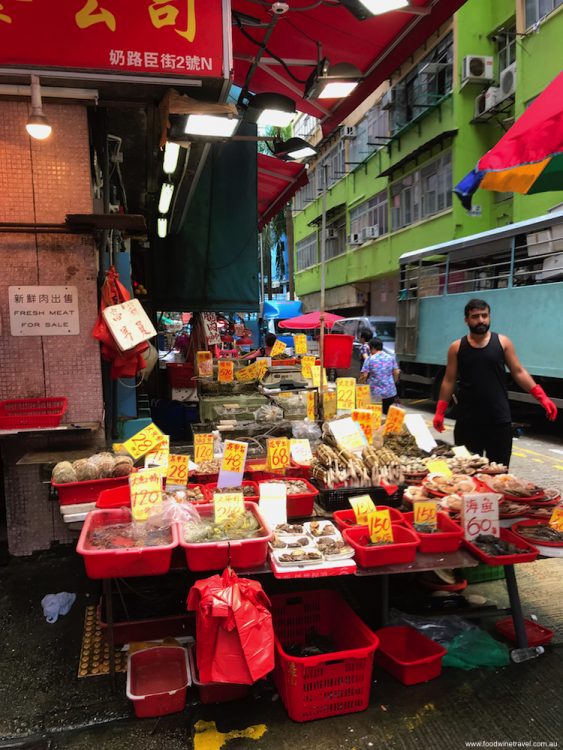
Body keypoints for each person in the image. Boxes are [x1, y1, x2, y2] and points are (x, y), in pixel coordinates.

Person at [433, 298, 557, 466]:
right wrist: (440, 411)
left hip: (498, 420)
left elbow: (518, 372)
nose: (481, 320)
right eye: (475, 316)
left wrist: (542, 397)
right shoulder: (456, 347)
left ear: (489, 317)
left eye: (484, 315)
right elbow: (449, 380)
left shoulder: (502, 343)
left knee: (499, 472)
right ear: (466, 320)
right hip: (467, 421)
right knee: (466, 472)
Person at [359, 337, 400, 414]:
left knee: (375, 416)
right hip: (390, 392)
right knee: (387, 415)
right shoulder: (391, 358)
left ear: (373, 348)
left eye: (370, 349)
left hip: (375, 393)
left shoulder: (370, 359)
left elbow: (364, 375)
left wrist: (360, 384)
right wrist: (393, 383)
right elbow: (396, 372)